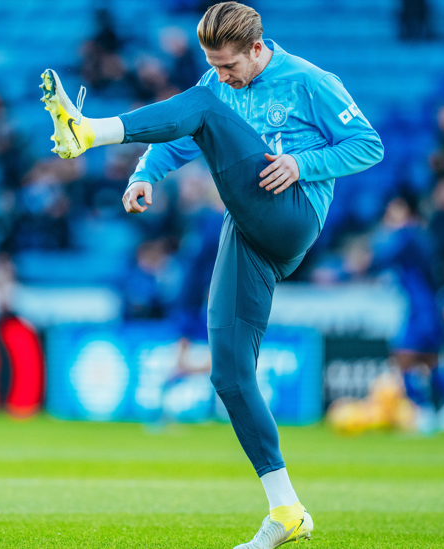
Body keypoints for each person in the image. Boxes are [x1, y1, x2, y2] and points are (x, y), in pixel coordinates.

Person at [40, 3, 384, 546]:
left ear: (256, 48)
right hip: (249, 229)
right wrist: (146, 173)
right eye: (214, 65)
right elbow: (179, 136)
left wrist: (302, 164)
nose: (222, 75)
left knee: (201, 103)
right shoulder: (215, 83)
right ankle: (286, 510)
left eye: (229, 66)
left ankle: (89, 131)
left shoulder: (310, 81)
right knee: (228, 373)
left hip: (292, 214)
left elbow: (369, 145)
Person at [353, 192, 444, 434]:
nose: (390, 214)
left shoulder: (407, 234)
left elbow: (382, 258)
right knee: (427, 359)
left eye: (395, 208)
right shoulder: (419, 234)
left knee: (403, 356)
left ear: (406, 210)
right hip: (426, 304)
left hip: (421, 306)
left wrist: (360, 265)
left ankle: (426, 409)